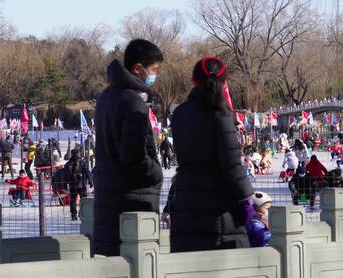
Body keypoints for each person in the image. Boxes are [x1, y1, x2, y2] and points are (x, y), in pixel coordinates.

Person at [165, 56, 254, 253]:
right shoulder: (221, 114)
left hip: (187, 198)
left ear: (193, 80)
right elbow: (231, 163)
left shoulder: (180, 114)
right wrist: (245, 197)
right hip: (219, 205)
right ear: (224, 83)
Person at [93, 39, 164, 256]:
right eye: (153, 70)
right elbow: (134, 157)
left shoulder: (106, 96)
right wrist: (155, 172)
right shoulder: (133, 103)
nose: (154, 75)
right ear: (138, 68)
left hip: (108, 193)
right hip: (132, 197)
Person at [64, 148, 93, 220]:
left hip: (72, 185)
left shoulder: (68, 163)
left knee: (73, 200)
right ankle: (82, 213)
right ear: (78, 154)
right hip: (82, 184)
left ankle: (73, 215)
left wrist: (65, 183)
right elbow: (87, 171)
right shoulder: (82, 162)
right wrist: (90, 181)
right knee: (84, 199)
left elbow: (65, 175)